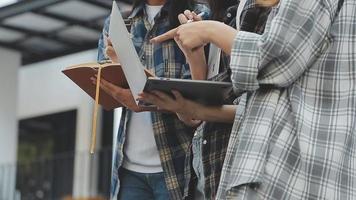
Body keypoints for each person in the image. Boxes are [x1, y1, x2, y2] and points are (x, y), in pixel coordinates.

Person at [145, 0, 356, 199]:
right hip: (290, 168)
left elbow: (272, 61)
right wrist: (192, 107)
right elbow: (264, 97)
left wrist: (211, 31)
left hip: (286, 170)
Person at [139, 0, 272, 199]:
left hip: (239, 167)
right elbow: (195, 119)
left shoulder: (252, 16)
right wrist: (194, 56)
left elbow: (262, 107)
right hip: (202, 168)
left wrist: (192, 109)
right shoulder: (210, 19)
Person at [96, 0, 209, 199]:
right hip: (128, 169)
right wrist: (116, 66)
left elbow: (198, 93)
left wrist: (146, 101)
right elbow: (105, 89)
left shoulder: (196, 16)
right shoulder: (119, 21)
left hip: (179, 163)